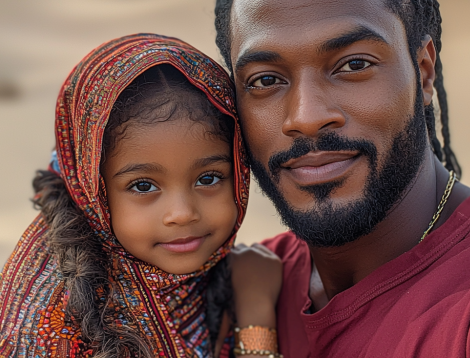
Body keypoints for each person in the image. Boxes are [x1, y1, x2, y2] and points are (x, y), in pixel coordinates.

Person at [214, 0, 470, 357]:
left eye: (353, 65)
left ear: (423, 72)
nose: (306, 117)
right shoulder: (247, 282)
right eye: (266, 80)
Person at [0, 34, 282, 358]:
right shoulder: (49, 323)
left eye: (208, 178)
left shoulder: (218, 273)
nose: (182, 213)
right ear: (93, 191)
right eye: (143, 186)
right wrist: (256, 314)